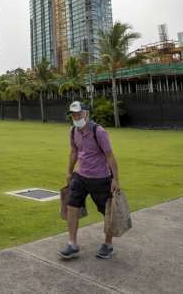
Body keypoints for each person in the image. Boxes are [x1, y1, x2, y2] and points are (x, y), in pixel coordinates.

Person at [59, 101, 120, 261]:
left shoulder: (98, 131)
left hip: (100, 178)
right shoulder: (73, 131)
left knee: (107, 211)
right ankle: (72, 244)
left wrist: (116, 179)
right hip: (80, 176)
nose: (76, 117)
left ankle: (108, 244)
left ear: (86, 113)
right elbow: (74, 152)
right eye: (73, 114)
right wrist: (69, 171)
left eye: (78, 114)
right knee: (71, 206)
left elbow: (109, 155)